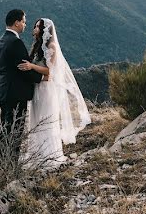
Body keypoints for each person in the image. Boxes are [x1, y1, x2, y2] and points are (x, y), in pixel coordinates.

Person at [18, 18, 91, 167]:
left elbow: (50, 71)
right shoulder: (37, 46)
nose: (35, 29)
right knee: (36, 120)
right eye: (36, 26)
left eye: (39, 27)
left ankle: (49, 155)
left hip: (47, 90)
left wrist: (31, 66)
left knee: (46, 120)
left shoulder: (51, 46)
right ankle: (36, 154)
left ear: (46, 30)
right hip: (38, 88)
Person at [0, 9, 43, 161]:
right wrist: (43, 77)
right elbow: (24, 68)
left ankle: (2, 162)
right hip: (15, 92)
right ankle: (9, 165)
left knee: (5, 128)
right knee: (15, 129)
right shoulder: (15, 42)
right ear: (16, 22)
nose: (25, 25)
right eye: (23, 21)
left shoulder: (2, 39)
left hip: (4, 90)